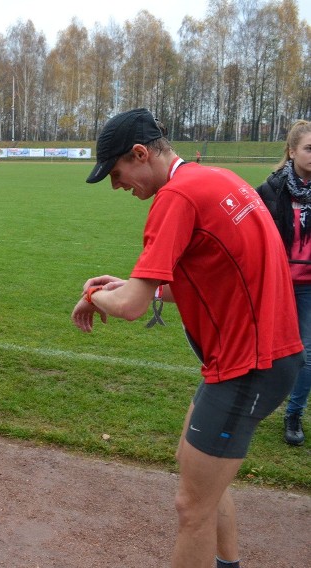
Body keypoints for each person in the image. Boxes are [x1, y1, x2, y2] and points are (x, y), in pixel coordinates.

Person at [71, 108, 303, 568]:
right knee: (200, 477)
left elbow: (132, 309)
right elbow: (204, 279)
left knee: (191, 508)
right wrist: (131, 285)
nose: (118, 187)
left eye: (117, 174)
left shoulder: (175, 197)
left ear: (140, 154)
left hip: (248, 365)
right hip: (259, 358)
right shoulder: (215, 179)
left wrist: (93, 295)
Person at [256, 119, 311, 446]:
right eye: (308, 148)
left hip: (307, 288)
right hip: (275, 285)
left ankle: (293, 413)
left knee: (306, 355)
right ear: (291, 152)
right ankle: (250, 405)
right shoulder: (271, 190)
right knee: (264, 350)